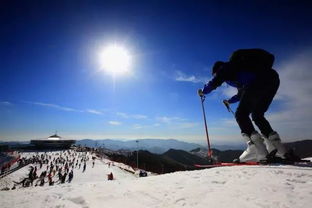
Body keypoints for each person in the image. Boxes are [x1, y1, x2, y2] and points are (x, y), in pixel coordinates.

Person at [198, 48, 299, 163]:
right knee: (257, 115)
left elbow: (216, 81)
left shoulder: (226, 68)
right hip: (272, 79)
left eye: (215, 73)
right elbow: (242, 94)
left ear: (217, 70)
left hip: (259, 81)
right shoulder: (241, 73)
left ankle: (257, 150)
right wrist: (229, 101)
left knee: (241, 114)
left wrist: (203, 91)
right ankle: (280, 150)